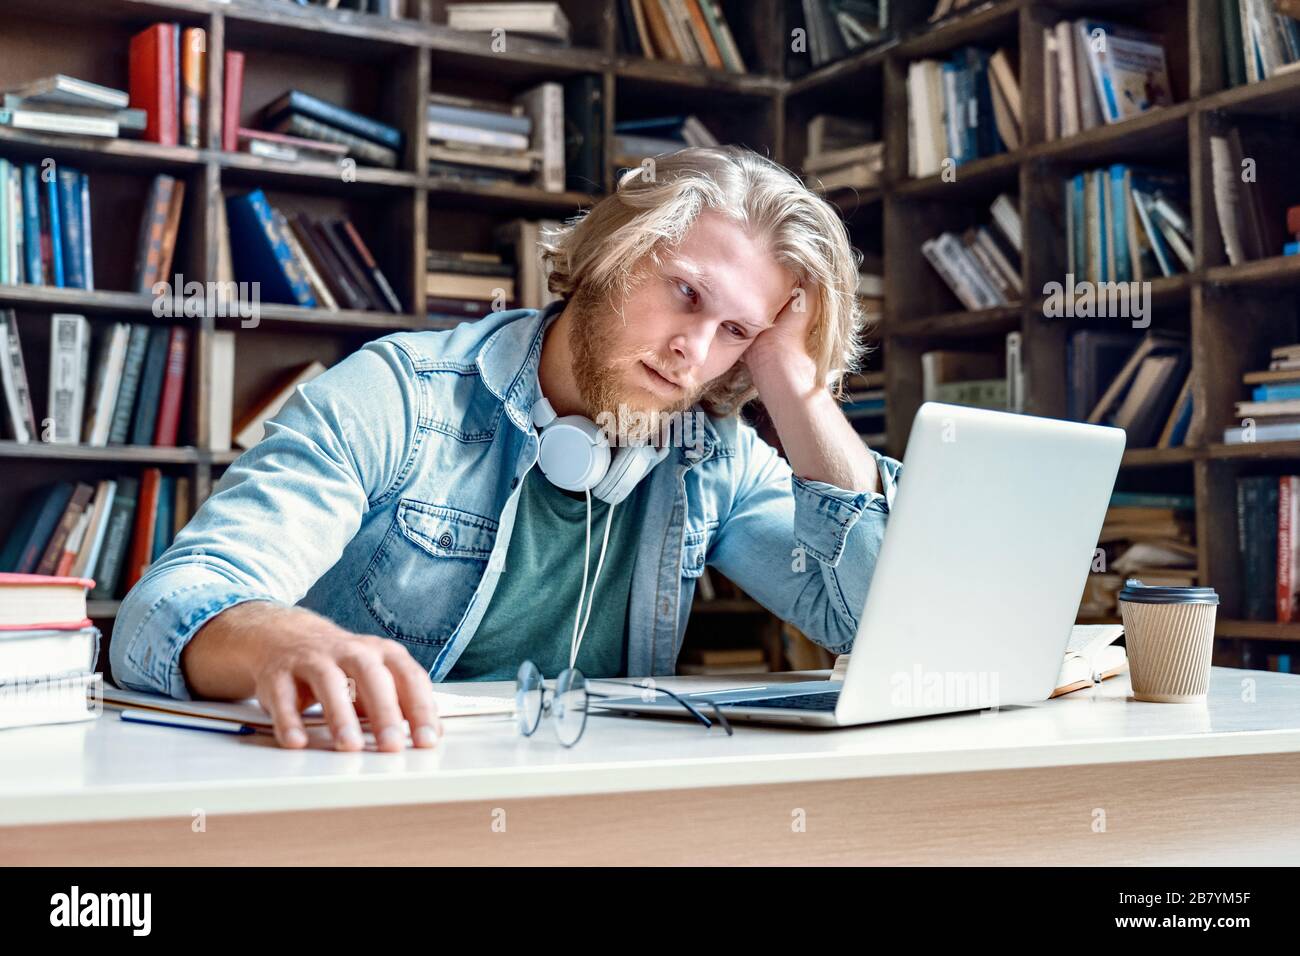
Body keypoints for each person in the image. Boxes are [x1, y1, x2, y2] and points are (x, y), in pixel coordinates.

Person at [111, 146, 902, 752]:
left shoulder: (710, 457)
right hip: (368, 795)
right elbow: (158, 616)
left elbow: (877, 626)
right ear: (609, 256)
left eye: (735, 331)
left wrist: (794, 385)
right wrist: (287, 640)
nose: (693, 351)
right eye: (686, 294)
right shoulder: (401, 396)